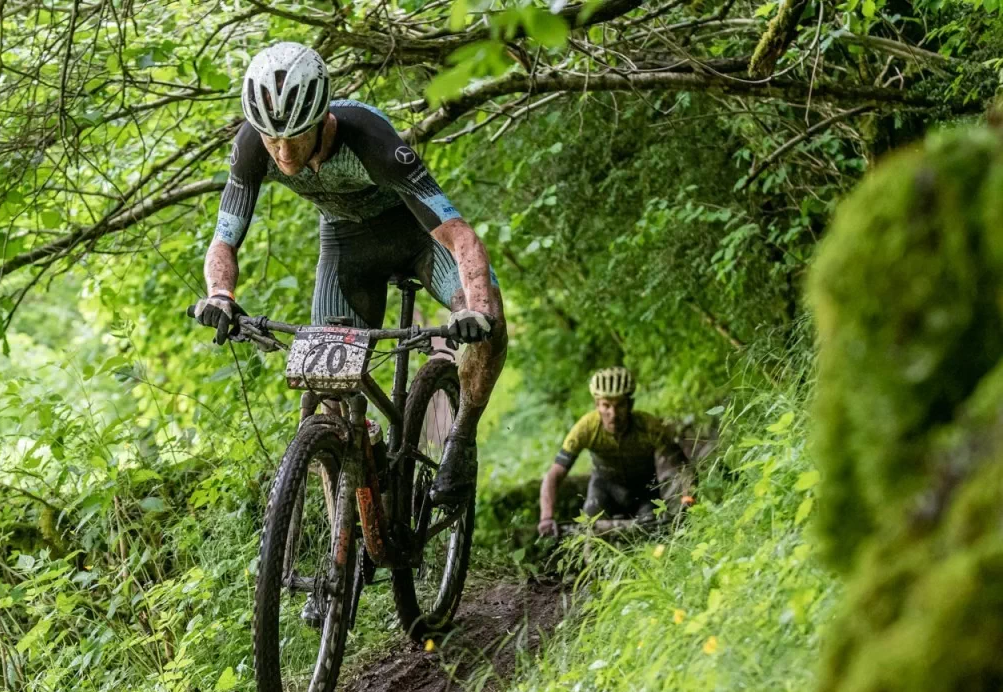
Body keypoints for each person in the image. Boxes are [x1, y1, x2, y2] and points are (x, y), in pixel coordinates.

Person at [191, 42, 506, 505]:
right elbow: (225, 237)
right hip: (347, 248)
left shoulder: (369, 139)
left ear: (322, 119)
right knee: (322, 395)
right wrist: (220, 294)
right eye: (270, 138)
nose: (281, 150)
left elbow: (457, 234)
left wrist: (475, 308)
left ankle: (461, 439)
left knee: (489, 324)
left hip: (416, 237)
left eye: (294, 136)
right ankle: (350, 521)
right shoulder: (251, 145)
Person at [538, 367, 694, 537]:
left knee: (654, 536)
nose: (613, 414)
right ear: (597, 405)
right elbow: (554, 474)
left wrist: (688, 499)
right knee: (590, 532)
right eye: (606, 405)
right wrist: (546, 517)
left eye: (620, 405)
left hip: (644, 492)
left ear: (630, 405)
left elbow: (680, 467)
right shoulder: (586, 428)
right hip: (604, 490)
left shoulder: (649, 426)